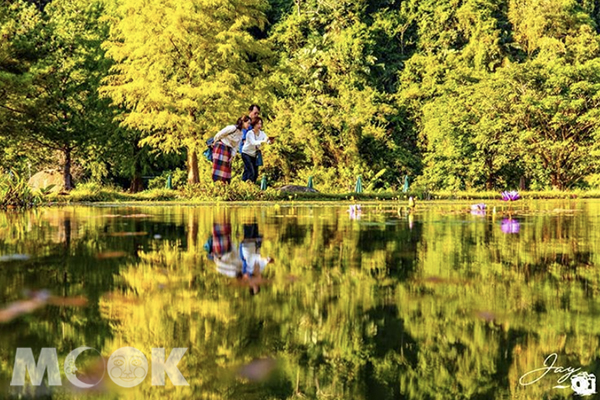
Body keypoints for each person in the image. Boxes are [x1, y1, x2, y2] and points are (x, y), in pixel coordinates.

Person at [212, 116, 251, 183]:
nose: (249, 125)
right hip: (221, 147)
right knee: (219, 169)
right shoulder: (233, 128)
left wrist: (232, 157)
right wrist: (215, 142)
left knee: (226, 169)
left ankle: (224, 186)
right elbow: (220, 134)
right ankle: (216, 184)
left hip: (228, 150)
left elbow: (236, 146)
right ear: (243, 122)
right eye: (248, 123)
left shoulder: (241, 133)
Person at [241, 117, 274, 183]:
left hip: (254, 155)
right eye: (257, 124)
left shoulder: (262, 133)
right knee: (251, 172)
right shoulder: (250, 133)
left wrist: (270, 141)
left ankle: (247, 185)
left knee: (255, 174)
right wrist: (264, 141)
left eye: (260, 124)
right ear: (254, 124)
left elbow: (266, 140)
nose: (259, 126)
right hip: (246, 154)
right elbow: (254, 142)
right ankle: (248, 187)